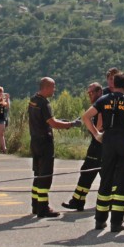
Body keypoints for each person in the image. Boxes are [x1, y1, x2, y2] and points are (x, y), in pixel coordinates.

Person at [91, 71, 124, 233]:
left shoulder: (103, 100)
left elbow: (86, 117)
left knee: (105, 180)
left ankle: (100, 220)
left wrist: (96, 134)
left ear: (114, 83)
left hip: (108, 143)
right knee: (121, 183)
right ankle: (116, 222)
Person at [26, 76, 80, 217]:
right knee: (45, 175)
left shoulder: (33, 100)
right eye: (53, 87)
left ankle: (35, 205)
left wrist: (61, 121)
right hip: (45, 143)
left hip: (35, 141)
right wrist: (71, 124)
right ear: (46, 87)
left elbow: (48, 120)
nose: (54, 90)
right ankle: (43, 208)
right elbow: (53, 123)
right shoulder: (44, 103)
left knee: (38, 174)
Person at [63, 81, 106, 210]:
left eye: (92, 92)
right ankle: (79, 200)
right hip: (100, 144)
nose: (89, 95)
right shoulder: (99, 104)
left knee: (88, 171)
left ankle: (78, 201)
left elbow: (100, 126)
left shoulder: (101, 105)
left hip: (98, 145)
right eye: (88, 93)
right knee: (100, 172)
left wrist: (94, 131)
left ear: (99, 92)